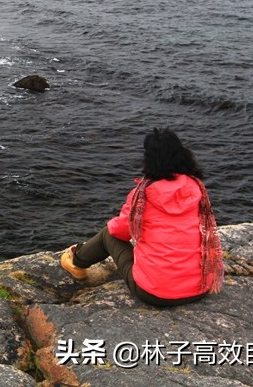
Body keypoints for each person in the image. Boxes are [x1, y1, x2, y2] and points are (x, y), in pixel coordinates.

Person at [60, 128, 224, 306]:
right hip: (200, 289)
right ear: (182, 154)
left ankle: (77, 261)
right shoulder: (196, 187)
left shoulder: (143, 195)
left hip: (155, 293)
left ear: (149, 159)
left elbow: (120, 231)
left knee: (109, 233)